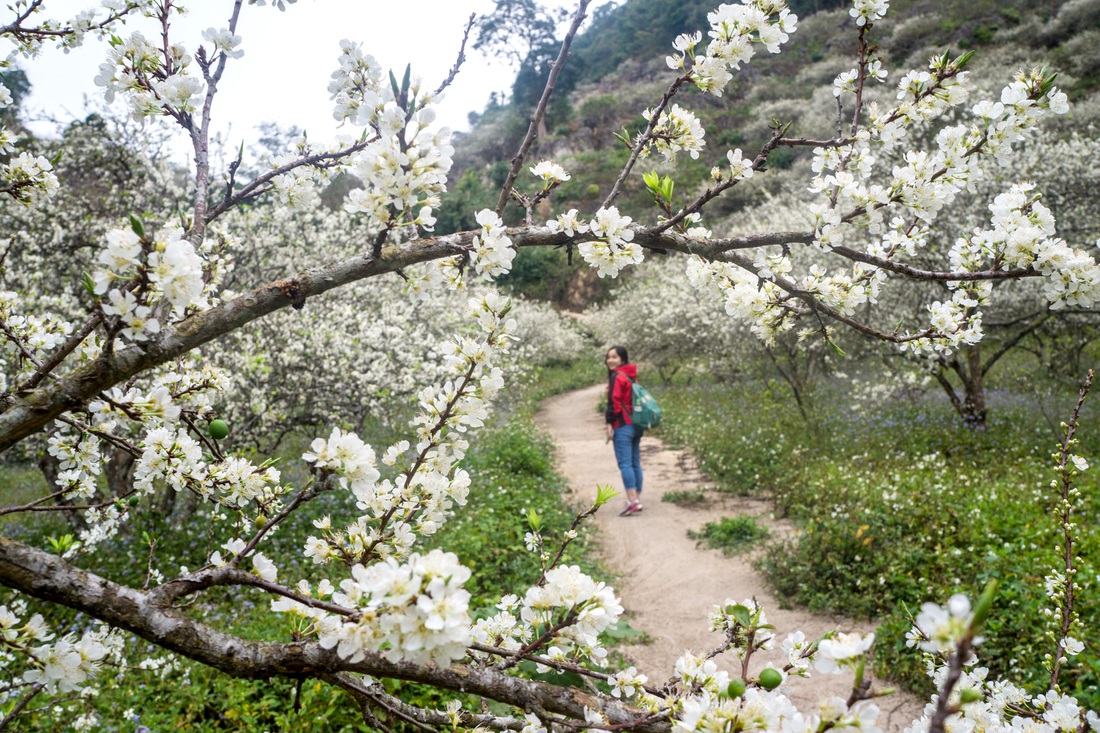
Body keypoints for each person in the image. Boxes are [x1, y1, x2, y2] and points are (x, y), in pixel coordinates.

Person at [605, 345, 643, 516]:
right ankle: (636, 499)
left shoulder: (617, 377)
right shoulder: (631, 375)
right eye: (608, 357)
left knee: (625, 463)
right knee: (634, 462)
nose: (610, 360)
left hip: (623, 425)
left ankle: (632, 501)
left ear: (622, 359)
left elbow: (614, 404)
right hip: (636, 424)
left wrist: (609, 424)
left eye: (614, 357)